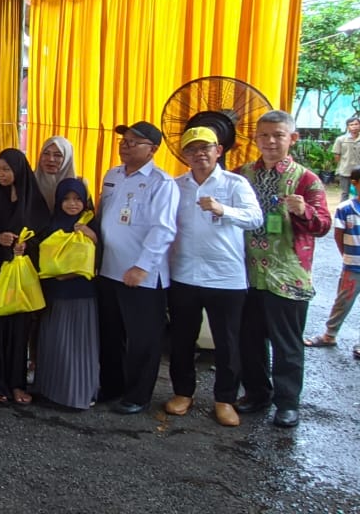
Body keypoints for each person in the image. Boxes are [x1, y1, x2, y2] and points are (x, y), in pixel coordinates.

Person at [237, 110, 331, 427]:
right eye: (264, 135)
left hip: (287, 275)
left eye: (278, 135)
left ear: (293, 138)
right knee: (249, 339)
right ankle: (256, 393)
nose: (270, 141)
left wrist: (304, 211)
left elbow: (323, 225)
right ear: (255, 138)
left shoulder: (306, 179)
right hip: (247, 272)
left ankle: (287, 403)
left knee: (286, 343)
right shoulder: (242, 174)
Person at [164, 127, 262, 426]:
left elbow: (255, 218)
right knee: (181, 339)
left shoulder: (235, 183)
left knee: (227, 342)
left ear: (218, 151)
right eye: (192, 149)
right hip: (183, 274)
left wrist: (224, 210)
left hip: (226, 277)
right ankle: (182, 393)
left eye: (205, 148)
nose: (199, 154)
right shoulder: (176, 185)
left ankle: (225, 400)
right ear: (184, 155)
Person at [96, 120, 179, 415]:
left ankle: (138, 395)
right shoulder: (113, 175)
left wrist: (142, 267)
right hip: (108, 270)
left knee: (143, 338)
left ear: (152, 149)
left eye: (133, 142)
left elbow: (163, 229)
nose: (125, 146)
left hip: (141, 275)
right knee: (110, 334)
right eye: (124, 141)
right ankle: (112, 385)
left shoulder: (162, 183)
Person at [0, 148, 51, 405]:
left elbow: (44, 234)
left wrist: (27, 245)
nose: (2, 174)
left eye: (6, 169)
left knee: (20, 328)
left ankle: (16, 383)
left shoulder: (32, 198)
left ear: (18, 170)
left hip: (22, 274)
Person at [33, 178, 100, 411]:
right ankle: (52, 391)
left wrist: (92, 237)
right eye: (67, 199)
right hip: (56, 293)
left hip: (82, 294)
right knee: (56, 342)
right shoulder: (51, 225)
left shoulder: (90, 223)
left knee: (80, 346)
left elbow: (101, 256)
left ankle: (79, 392)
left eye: (78, 199)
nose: (72, 204)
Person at [304, 166, 360, 359]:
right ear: (354, 184)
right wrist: (346, 256)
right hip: (352, 266)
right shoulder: (345, 209)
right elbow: (339, 236)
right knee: (343, 301)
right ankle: (330, 334)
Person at [35, 135, 77, 210]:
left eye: (58, 155)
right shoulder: (28, 182)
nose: (51, 159)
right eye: (46, 153)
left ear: (67, 159)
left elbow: (88, 213)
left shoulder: (80, 186)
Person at [332, 116, 360, 203]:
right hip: (345, 170)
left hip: (359, 171)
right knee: (345, 193)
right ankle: (343, 209)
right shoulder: (340, 139)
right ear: (348, 127)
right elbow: (337, 156)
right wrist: (340, 167)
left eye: (356, 124)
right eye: (351, 125)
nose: (354, 126)